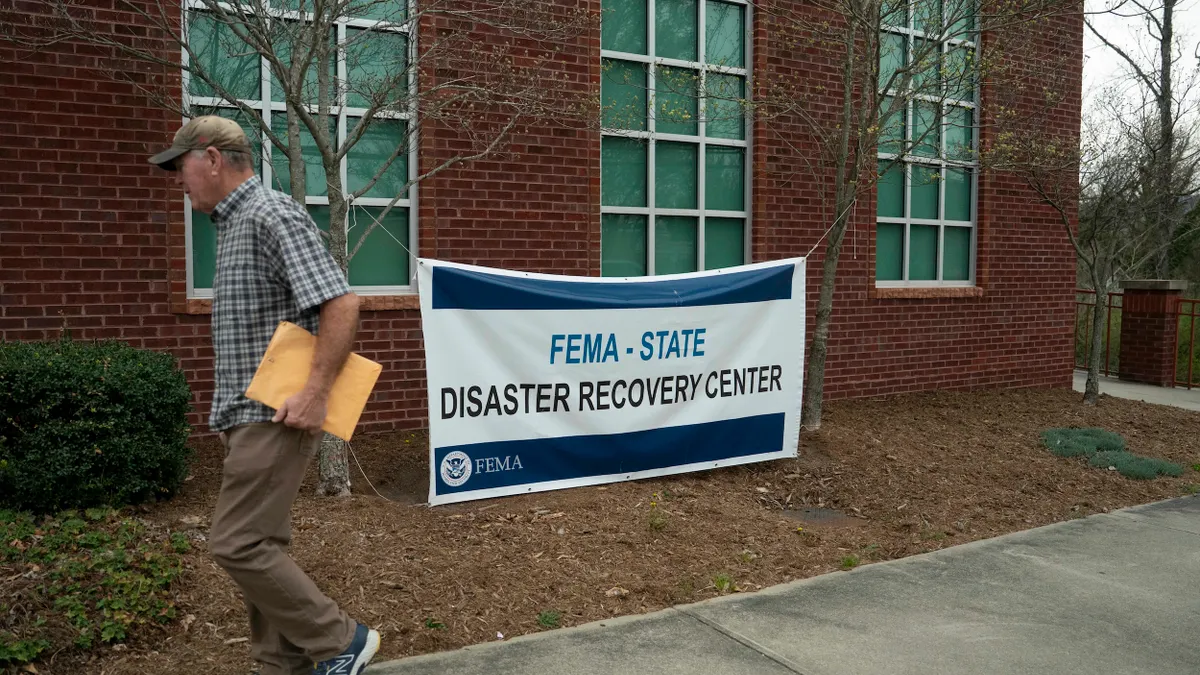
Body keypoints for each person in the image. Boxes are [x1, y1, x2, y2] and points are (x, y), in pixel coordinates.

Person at [149, 116, 380, 675]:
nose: (176, 179)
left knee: (236, 543)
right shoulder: (233, 224)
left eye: (179, 166)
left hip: (274, 413)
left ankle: (341, 641)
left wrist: (315, 393)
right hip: (246, 414)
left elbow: (340, 304)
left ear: (211, 158)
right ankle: (283, 665)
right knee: (263, 547)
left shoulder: (268, 213)